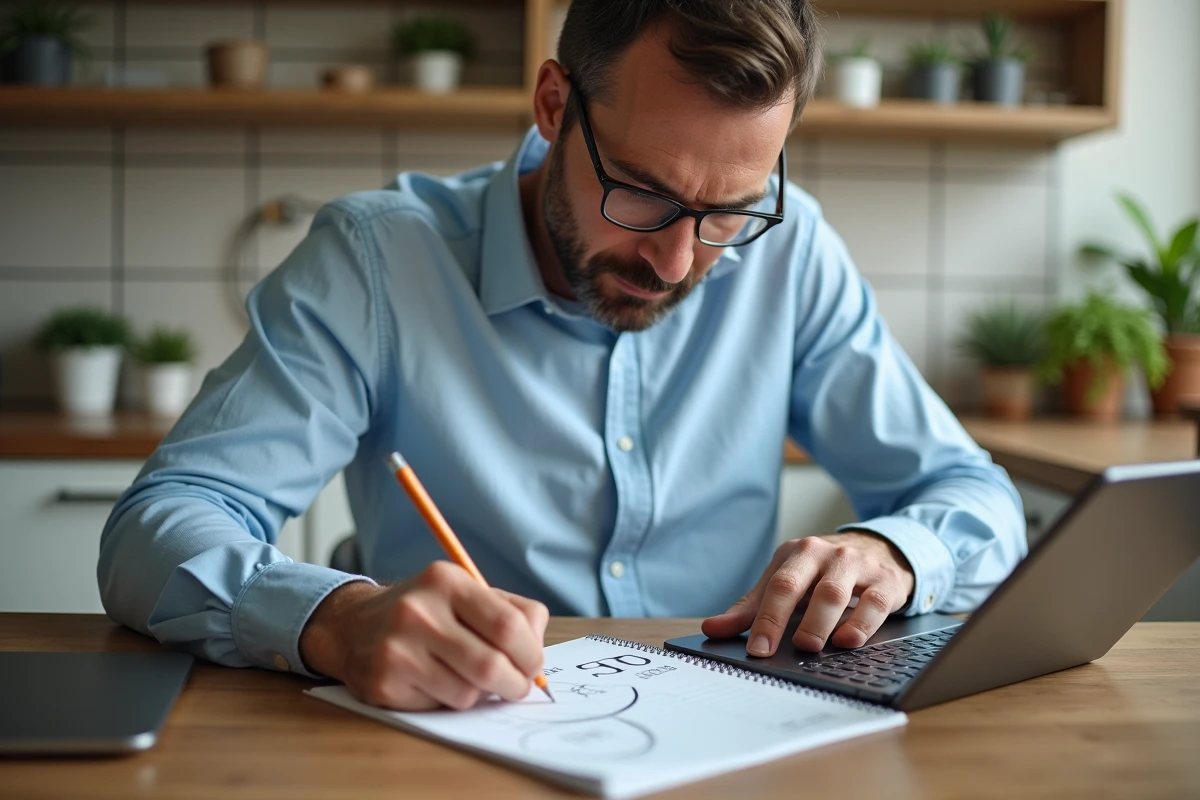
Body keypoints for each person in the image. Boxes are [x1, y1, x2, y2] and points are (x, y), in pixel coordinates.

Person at [98, 0, 1026, 712]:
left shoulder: (791, 252)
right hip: (462, 735)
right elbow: (159, 526)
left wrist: (893, 552)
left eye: (727, 213)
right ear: (553, 107)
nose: (673, 261)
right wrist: (335, 621)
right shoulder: (379, 261)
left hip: (736, 738)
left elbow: (976, 497)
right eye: (642, 192)